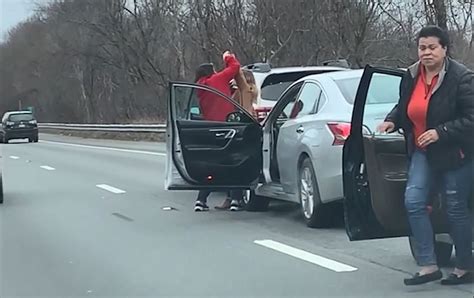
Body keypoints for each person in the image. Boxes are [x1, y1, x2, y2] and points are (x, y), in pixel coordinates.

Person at [377, 25, 474, 286]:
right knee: (413, 201)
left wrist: (440, 132)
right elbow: (405, 105)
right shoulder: (411, 75)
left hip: (457, 153)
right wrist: (391, 120)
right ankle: (428, 265)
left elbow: (471, 118)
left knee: (455, 208)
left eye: (432, 47)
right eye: (422, 47)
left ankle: (465, 266)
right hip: (422, 151)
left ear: (444, 49)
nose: (426, 53)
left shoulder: (462, 78)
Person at [193, 51, 244, 212]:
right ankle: (235, 199)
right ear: (211, 71)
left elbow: (217, 99)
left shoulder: (200, 86)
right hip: (226, 126)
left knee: (212, 166)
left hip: (210, 128)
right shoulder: (217, 79)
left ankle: (201, 201)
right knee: (233, 164)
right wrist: (227, 57)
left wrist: (229, 91)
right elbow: (235, 67)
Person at [215, 69, 259, 210]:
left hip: (240, 129)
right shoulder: (253, 92)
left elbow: (232, 107)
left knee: (233, 166)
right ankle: (235, 198)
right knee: (241, 165)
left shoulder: (244, 92)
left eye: (236, 79)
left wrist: (230, 62)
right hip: (249, 129)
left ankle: (232, 198)